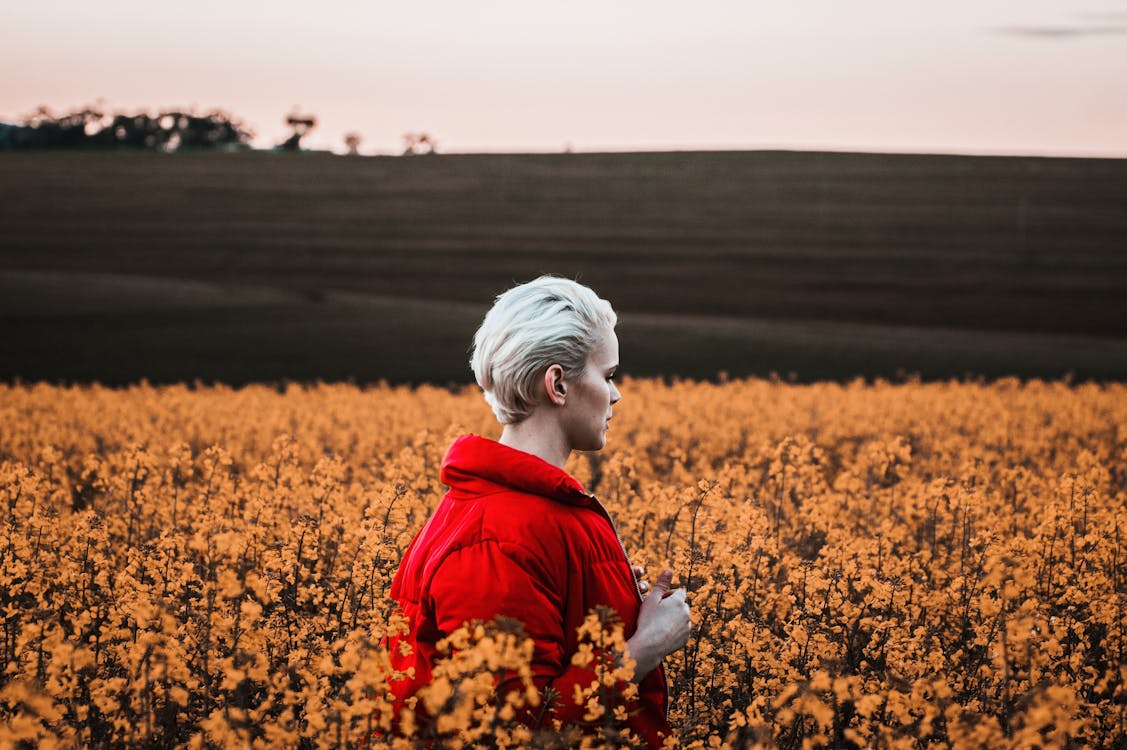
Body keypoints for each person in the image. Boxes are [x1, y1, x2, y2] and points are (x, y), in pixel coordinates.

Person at [386, 275, 692, 747]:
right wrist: (646, 647)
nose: (616, 395)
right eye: (607, 375)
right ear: (558, 384)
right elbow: (513, 728)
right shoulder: (498, 540)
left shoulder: (537, 512)